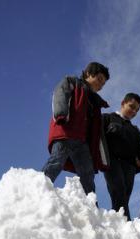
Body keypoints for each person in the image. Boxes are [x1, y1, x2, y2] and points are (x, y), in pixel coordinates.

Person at [42, 62, 110, 196]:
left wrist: (101, 156)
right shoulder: (72, 82)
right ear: (89, 74)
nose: (101, 85)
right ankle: (38, 189)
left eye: (103, 83)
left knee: (87, 173)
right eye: (100, 79)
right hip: (66, 132)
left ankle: (91, 206)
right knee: (56, 162)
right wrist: (61, 114)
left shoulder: (95, 102)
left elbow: (97, 130)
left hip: (81, 141)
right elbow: (60, 94)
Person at [102, 93, 140, 218]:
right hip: (112, 161)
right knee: (119, 192)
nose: (134, 111)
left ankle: (118, 225)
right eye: (132, 106)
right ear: (123, 103)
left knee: (124, 197)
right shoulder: (107, 118)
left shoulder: (135, 130)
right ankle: (126, 225)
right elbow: (97, 138)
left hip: (129, 167)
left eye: (137, 110)